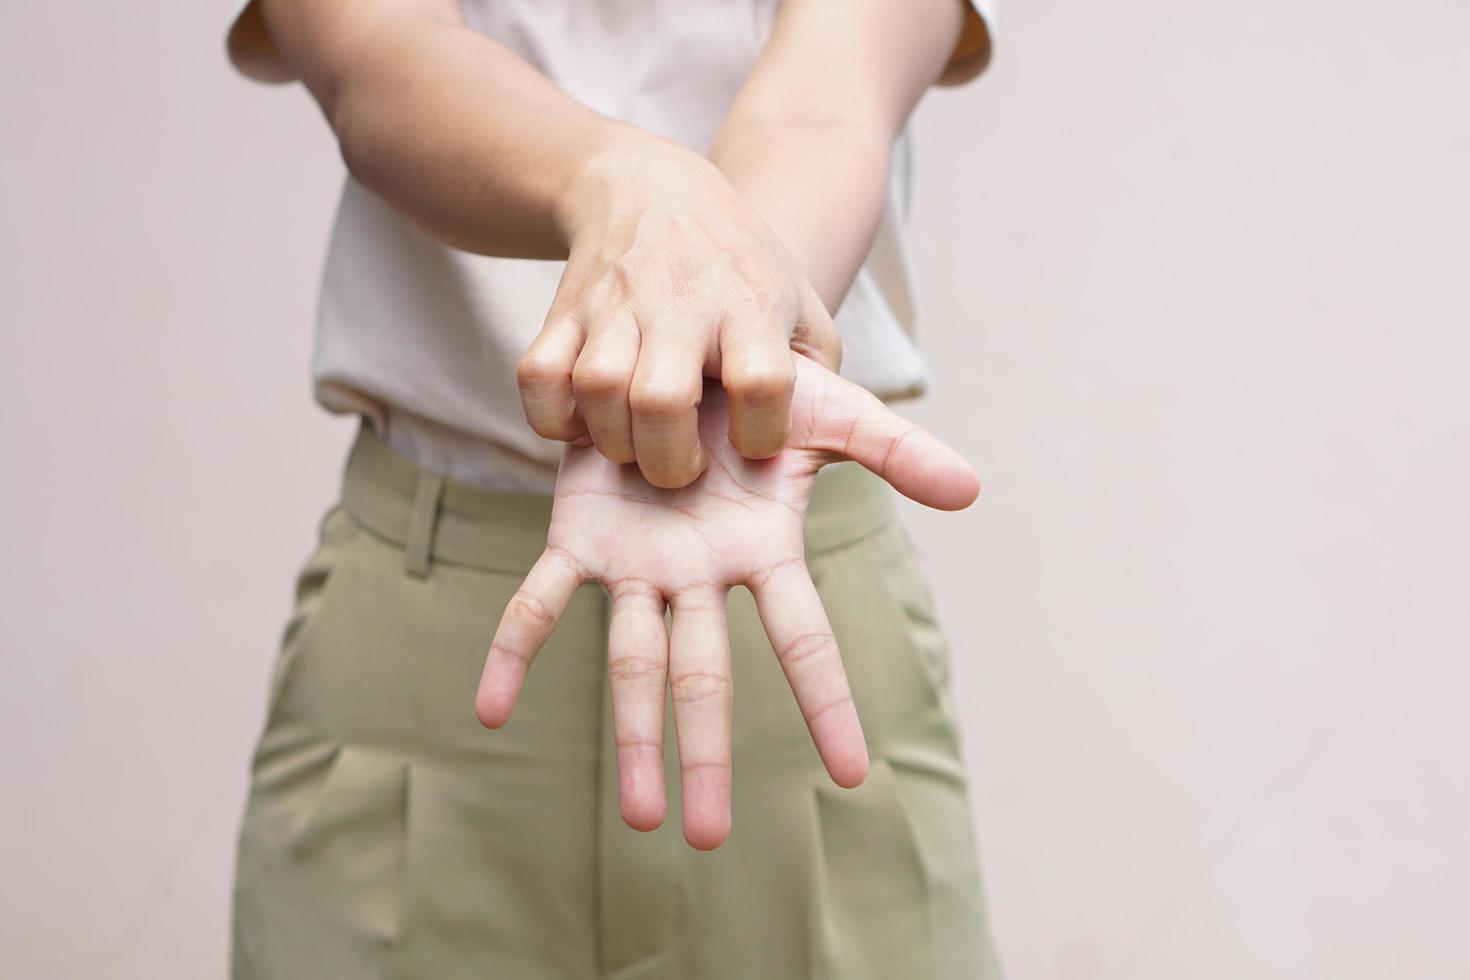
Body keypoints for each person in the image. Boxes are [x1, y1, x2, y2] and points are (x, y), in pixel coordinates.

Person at [224, 0, 1003, 976]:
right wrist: (626, 186)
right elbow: (374, 59)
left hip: (790, 599)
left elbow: (830, 95)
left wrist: (719, 330)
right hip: (426, 653)